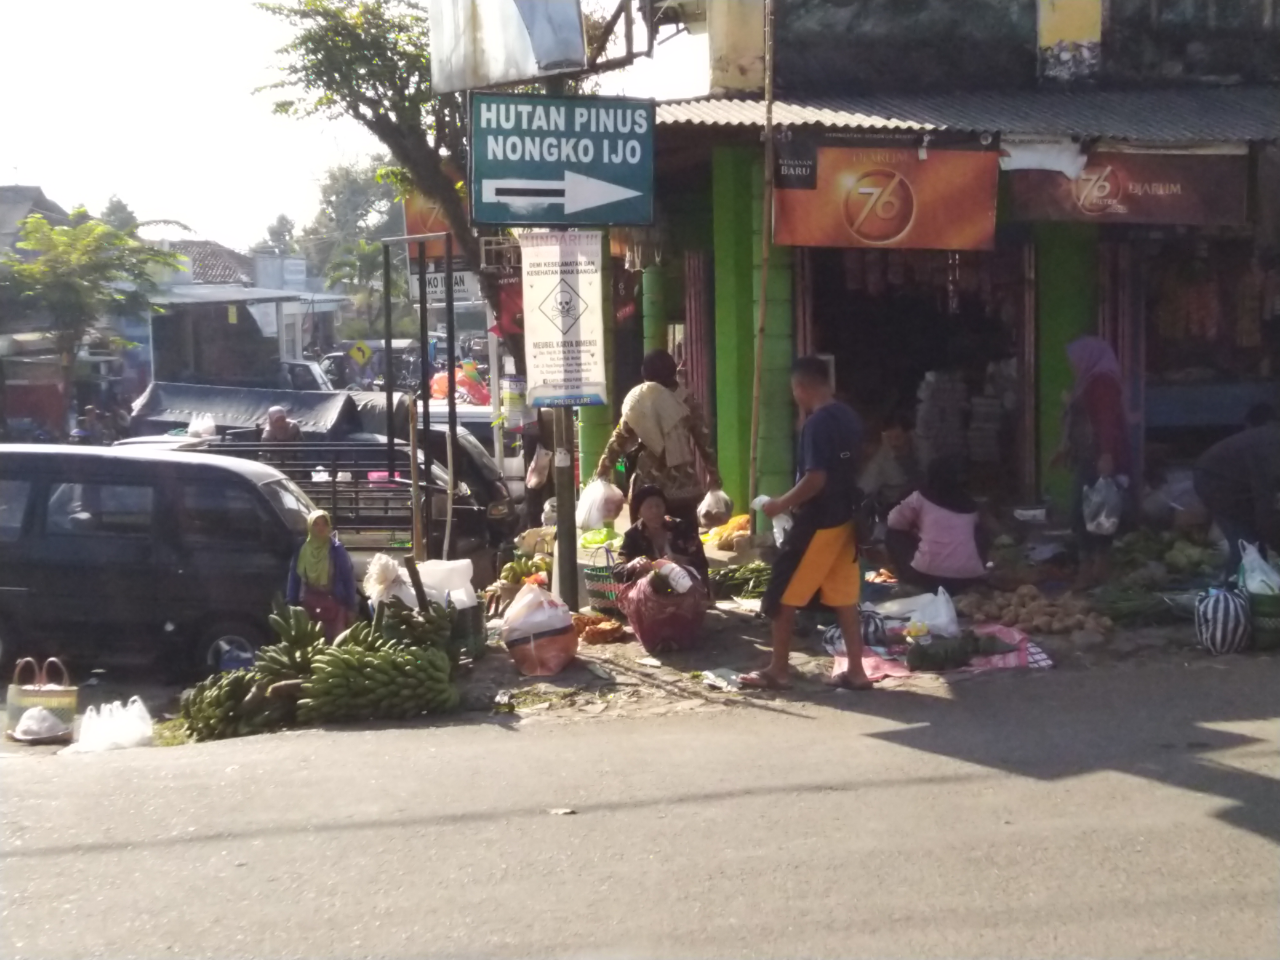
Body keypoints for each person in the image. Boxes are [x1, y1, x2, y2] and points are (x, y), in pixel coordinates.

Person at [745, 356, 875, 692]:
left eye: (794, 391)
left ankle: (779, 669)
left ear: (801, 387)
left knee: (783, 593)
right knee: (844, 598)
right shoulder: (849, 416)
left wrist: (779, 504)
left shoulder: (816, 424)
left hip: (820, 520)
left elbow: (815, 478)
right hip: (847, 518)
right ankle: (857, 671)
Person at [596, 349, 722, 526]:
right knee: (685, 540)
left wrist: (603, 469)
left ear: (645, 372)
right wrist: (713, 474)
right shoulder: (686, 399)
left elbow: (620, 437)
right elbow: (704, 440)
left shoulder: (640, 399)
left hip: (647, 487)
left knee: (644, 541)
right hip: (683, 485)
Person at [1054, 336, 1130, 589]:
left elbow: (1106, 421)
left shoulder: (1102, 382)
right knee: (1093, 511)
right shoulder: (1090, 381)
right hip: (1089, 454)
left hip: (1097, 457)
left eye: (1076, 360)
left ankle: (1092, 568)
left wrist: (1106, 455)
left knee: (1086, 512)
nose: (1074, 365)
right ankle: (1096, 568)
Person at [886, 455, 988, 595]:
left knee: (893, 534)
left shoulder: (920, 497)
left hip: (927, 578)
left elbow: (893, 522)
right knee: (977, 531)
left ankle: (908, 581)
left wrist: (915, 529)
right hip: (968, 579)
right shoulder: (970, 505)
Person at [1193, 416, 1280, 578]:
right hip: (1214, 478)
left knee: (1253, 545)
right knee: (1248, 547)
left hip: (1239, 481)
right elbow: (1267, 512)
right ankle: (1235, 593)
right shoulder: (1272, 454)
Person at [613, 484, 710, 588]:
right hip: (650, 591)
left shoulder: (682, 528)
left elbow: (702, 563)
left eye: (658, 505)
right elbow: (616, 571)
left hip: (685, 586)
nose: (655, 511)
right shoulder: (633, 536)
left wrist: (683, 560)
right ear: (639, 513)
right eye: (649, 507)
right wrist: (632, 565)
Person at [286, 510, 356, 641]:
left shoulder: (336, 550)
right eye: (316, 524)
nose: (320, 528)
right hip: (310, 604)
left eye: (324, 524)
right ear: (309, 527)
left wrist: (351, 607)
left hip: (334, 604)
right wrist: (291, 602)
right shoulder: (303, 549)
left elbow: (348, 579)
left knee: (335, 644)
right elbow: (294, 578)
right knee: (311, 643)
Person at [858, 410, 926, 516]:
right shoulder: (880, 463)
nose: (893, 444)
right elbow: (864, 490)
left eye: (898, 438)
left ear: (909, 434)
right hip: (897, 511)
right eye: (889, 438)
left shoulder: (923, 448)